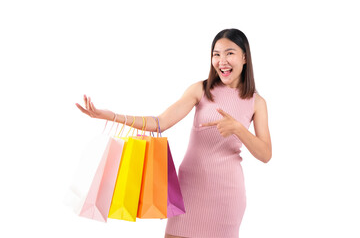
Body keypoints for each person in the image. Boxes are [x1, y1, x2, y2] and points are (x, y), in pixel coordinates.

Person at [76, 28, 272, 238]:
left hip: (227, 196)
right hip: (189, 190)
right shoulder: (201, 90)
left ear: (244, 57)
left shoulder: (256, 102)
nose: (222, 61)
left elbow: (265, 154)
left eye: (229, 53)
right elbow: (160, 122)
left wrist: (238, 129)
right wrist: (111, 115)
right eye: (216, 54)